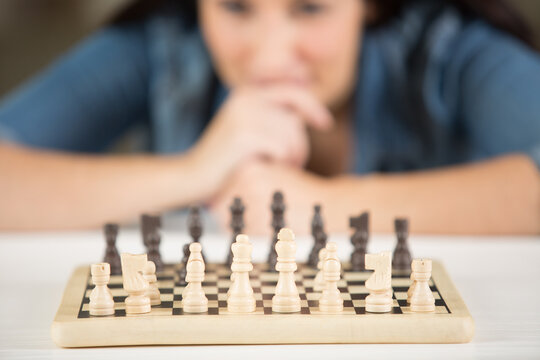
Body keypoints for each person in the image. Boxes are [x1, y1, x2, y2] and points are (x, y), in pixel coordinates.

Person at [0, 0, 539, 235]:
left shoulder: (452, 51)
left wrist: (328, 208)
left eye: (310, 8)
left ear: (369, 5)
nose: (270, 57)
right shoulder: (162, 44)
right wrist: (194, 171)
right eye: (235, 6)